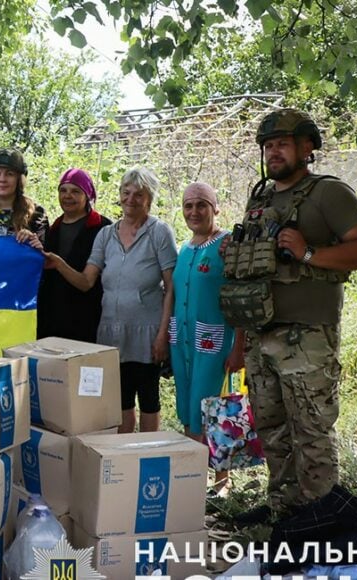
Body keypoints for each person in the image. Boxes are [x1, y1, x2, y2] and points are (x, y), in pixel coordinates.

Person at [228, 109, 357, 525]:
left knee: (311, 434)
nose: (272, 152)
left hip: (308, 337)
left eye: (281, 143)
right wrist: (242, 342)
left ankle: (321, 519)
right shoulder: (260, 197)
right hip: (262, 333)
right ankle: (286, 513)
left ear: (307, 147)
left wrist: (309, 253)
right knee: (272, 430)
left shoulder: (328, 194)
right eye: (267, 145)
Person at [44, 168, 176, 433]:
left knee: (149, 399)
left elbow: (171, 287)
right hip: (111, 332)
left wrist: (164, 334)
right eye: (126, 193)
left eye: (139, 194)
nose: (131, 199)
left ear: (149, 199)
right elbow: (86, 281)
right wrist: (58, 264)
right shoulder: (106, 234)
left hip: (147, 331)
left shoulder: (160, 232)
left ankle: (147, 455)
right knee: (121, 400)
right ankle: (125, 459)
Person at [170, 182, 241, 494]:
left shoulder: (228, 246)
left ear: (216, 208)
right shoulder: (185, 249)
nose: (194, 211)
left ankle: (222, 482)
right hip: (183, 341)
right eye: (188, 205)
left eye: (201, 204)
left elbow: (242, 298)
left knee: (216, 409)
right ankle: (191, 480)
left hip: (215, 344)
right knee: (188, 406)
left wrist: (240, 346)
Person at [37, 168, 112, 342]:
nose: (67, 196)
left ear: (87, 196)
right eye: (63, 190)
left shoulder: (103, 227)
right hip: (53, 319)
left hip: (87, 319)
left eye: (75, 191)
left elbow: (89, 282)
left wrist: (59, 264)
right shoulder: (53, 228)